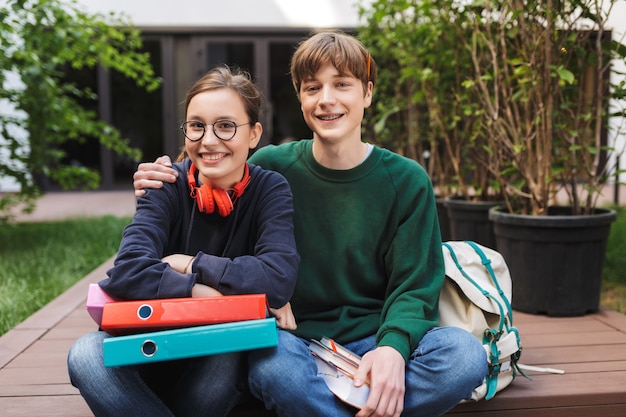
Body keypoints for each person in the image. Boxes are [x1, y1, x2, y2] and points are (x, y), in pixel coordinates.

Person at [133, 31, 488, 417]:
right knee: (274, 372)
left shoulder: (406, 180)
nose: (326, 100)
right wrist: (159, 178)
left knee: (464, 357)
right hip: (294, 338)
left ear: (367, 93)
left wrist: (392, 348)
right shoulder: (270, 167)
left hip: (376, 334)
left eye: (342, 85)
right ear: (300, 98)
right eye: (312, 87)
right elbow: (210, 172)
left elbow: (415, 285)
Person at [67, 66, 300, 417]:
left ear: (254, 134)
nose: (208, 141)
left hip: (216, 364)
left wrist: (186, 262)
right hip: (151, 351)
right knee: (85, 355)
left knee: (227, 342)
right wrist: (209, 296)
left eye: (225, 126)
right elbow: (127, 271)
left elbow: (277, 279)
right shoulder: (163, 184)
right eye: (197, 126)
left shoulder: (270, 189)